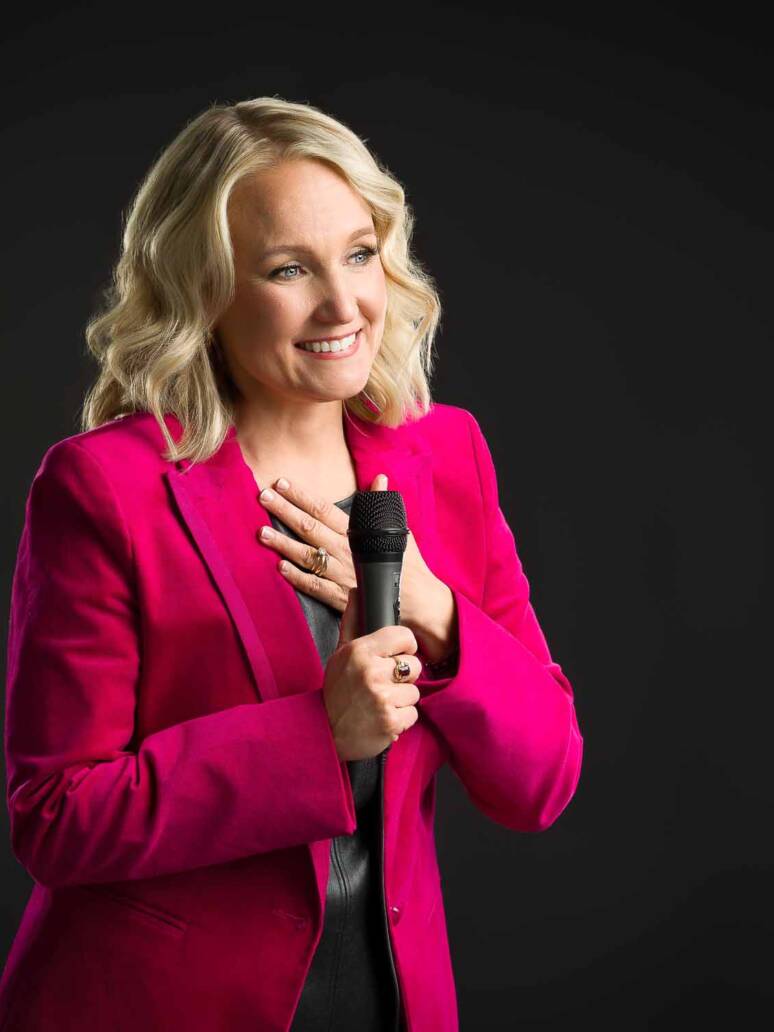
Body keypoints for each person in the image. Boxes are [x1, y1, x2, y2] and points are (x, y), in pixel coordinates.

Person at [0, 96, 584, 1032]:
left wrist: (438, 613)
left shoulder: (449, 455)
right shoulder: (103, 489)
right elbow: (56, 814)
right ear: (206, 291)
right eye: (287, 270)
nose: (343, 304)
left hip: (390, 1002)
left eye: (359, 254)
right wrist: (320, 736)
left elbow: (542, 779)